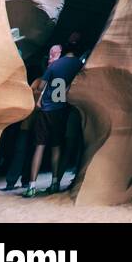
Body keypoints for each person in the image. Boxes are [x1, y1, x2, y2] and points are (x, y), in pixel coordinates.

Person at [23, 38, 84, 197]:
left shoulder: (55, 65)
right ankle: (55, 183)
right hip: (62, 109)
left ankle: (31, 186)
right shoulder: (79, 65)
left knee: (39, 147)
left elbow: (41, 87)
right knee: (56, 147)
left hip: (46, 110)